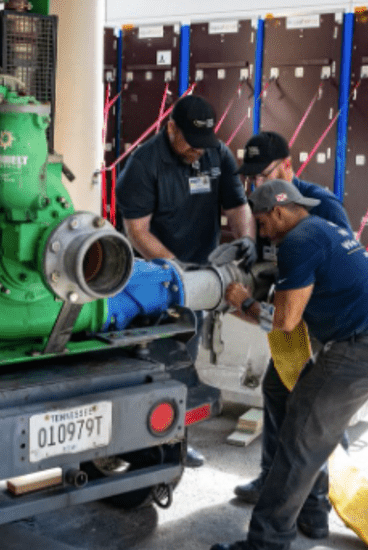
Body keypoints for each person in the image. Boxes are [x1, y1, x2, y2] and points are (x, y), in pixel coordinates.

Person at [213, 179, 368, 550]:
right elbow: (297, 314)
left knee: (297, 442)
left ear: (280, 212)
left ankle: (266, 543)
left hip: (358, 352)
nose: (263, 233)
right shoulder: (324, 229)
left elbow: (285, 321)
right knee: (304, 428)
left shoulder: (298, 242)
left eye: (263, 223)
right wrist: (254, 310)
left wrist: (243, 302)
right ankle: (313, 516)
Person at [116, 95, 255, 468]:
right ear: (171, 127)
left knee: (185, 360)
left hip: (199, 279)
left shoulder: (216, 154)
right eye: (190, 142)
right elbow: (137, 231)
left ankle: (174, 442)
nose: (198, 151)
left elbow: (238, 206)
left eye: (204, 143)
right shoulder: (143, 164)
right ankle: (138, 448)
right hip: (151, 283)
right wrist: (178, 273)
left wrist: (246, 242)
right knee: (148, 364)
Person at [230, 132, 352, 540]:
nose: (254, 187)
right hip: (290, 326)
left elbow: (335, 268)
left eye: (261, 176)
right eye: (249, 180)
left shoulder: (322, 208)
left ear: (287, 166)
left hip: (318, 330)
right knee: (275, 391)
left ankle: (320, 503)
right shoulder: (267, 206)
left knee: (316, 416)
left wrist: (256, 307)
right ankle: (273, 481)